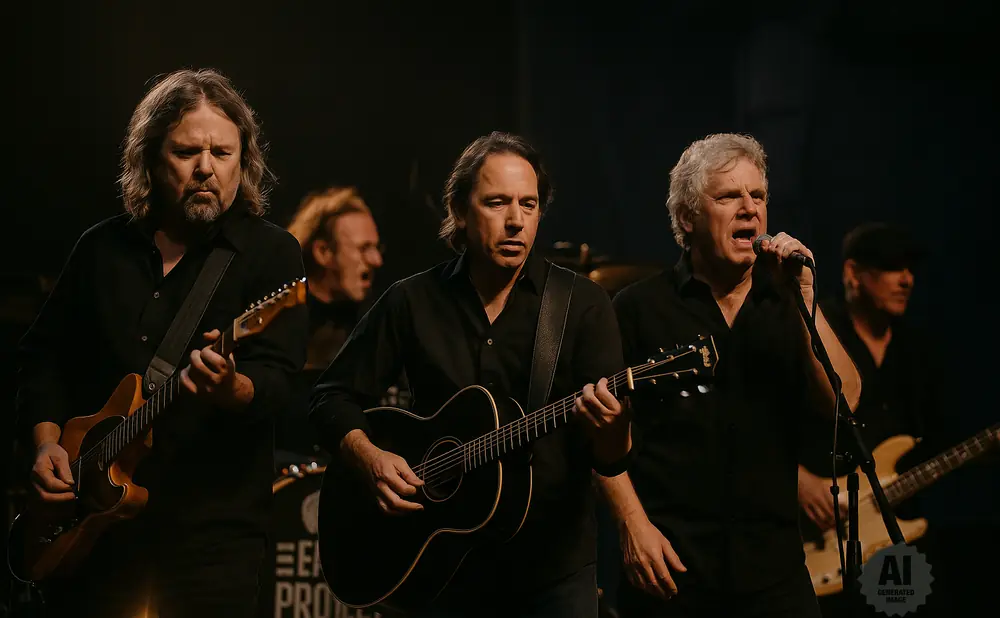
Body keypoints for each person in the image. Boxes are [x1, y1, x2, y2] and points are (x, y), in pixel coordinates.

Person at [15, 68, 308, 617]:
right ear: (150, 158)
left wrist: (232, 387)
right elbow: (42, 358)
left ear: (243, 162)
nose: (206, 168)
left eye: (222, 153)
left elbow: (283, 384)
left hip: (208, 544)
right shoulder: (101, 249)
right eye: (186, 151)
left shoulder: (271, 255)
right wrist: (47, 444)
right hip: (93, 539)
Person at [309, 131, 631, 618]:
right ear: (459, 211)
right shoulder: (412, 300)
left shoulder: (582, 305)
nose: (516, 220)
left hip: (551, 573)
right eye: (497, 203)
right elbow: (329, 398)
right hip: (440, 568)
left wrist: (613, 428)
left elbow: (610, 458)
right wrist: (370, 458)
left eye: (529, 204)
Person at [602, 133, 862, 617]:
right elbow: (598, 432)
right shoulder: (638, 307)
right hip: (671, 571)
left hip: (775, 573)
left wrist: (806, 296)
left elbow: (845, 403)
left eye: (758, 195)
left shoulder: (789, 303)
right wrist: (631, 525)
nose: (749, 209)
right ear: (687, 217)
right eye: (728, 196)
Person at [797, 222, 944, 617]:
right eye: (892, 267)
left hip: (897, 538)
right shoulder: (816, 331)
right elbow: (760, 421)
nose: (906, 280)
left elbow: (935, 437)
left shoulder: (917, 350)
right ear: (853, 273)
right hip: (817, 533)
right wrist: (799, 480)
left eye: (910, 268)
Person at [280, 187, 386, 461]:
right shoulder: (280, 318)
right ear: (323, 252)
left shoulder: (376, 317)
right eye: (364, 249)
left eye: (377, 248)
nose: (377, 260)